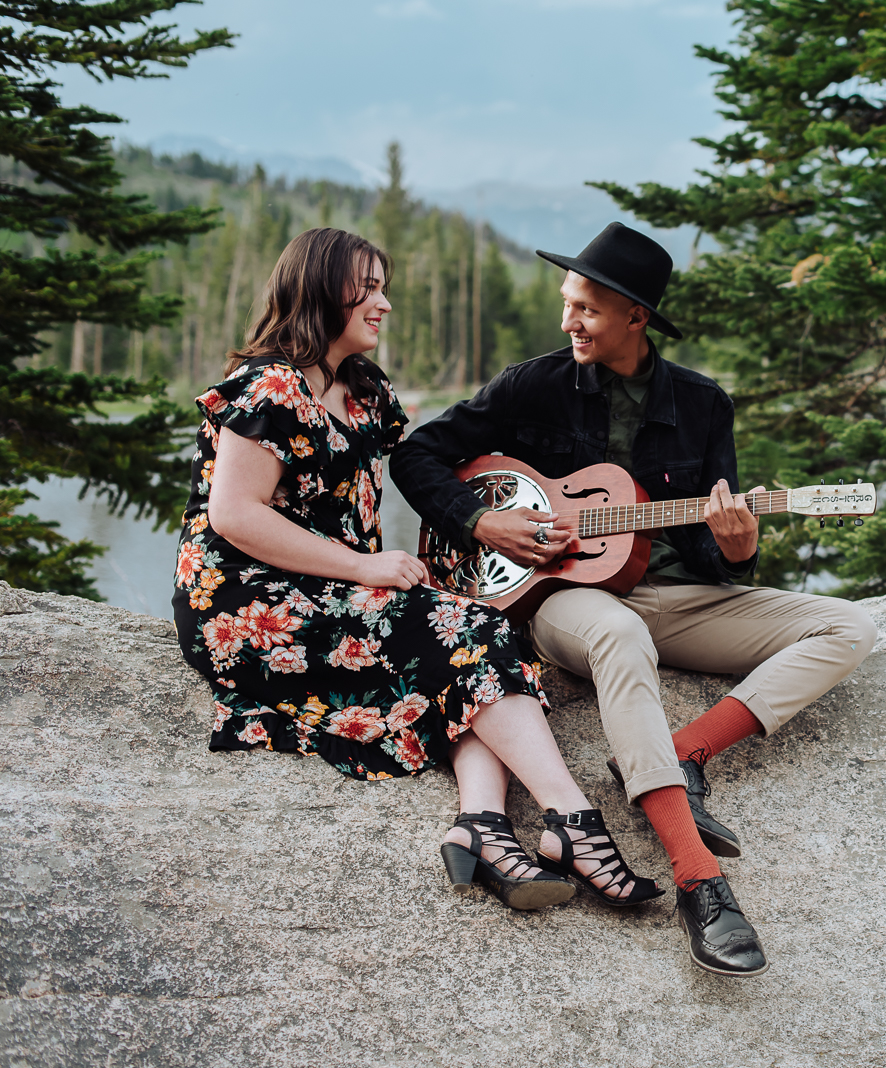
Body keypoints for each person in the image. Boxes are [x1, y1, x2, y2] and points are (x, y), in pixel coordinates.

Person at [391, 222, 877, 977]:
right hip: (560, 603)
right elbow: (416, 454)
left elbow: (719, 553)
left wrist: (741, 545)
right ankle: (699, 880)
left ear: (636, 317)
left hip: (675, 597)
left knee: (846, 626)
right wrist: (483, 520)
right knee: (619, 635)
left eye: (585, 308)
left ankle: (682, 751)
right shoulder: (533, 385)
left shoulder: (704, 405)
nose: (568, 322)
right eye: (566, 303)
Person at [171, 227, 660, 914]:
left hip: (339, 588)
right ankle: (574, 820)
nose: (385, 304)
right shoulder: (266, 387)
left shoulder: (366, 391)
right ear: (318, 291)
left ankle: (483, 824)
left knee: (475, 629)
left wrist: (513, 510)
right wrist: (364, 565)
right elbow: (236, 517)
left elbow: (442, 458)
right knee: (463, 633)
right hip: (250, 604)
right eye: (367, 289)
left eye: (383, 288)